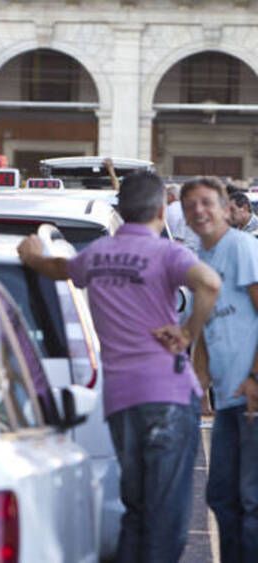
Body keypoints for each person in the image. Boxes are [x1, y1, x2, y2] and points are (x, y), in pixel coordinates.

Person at [17, 171, 221, 563]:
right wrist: (187, 331)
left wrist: (32, 257)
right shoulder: (167, 253)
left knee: (137, 510)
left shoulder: (97, 254)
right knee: (167, 519)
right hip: (168, 396)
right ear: (162, 209)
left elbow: (61, 270)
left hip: (121, 400)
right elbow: (209, 283)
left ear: (120, 211)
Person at [180, 176, 258, 562]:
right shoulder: (202, 260)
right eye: (190, 205)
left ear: (227, 207)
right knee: (221, 495)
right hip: (228, 397)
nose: (199, 211)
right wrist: (197, 387)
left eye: (207, 202)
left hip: (251, 394)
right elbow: (207, 329)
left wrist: (254, 377)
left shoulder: (242, 248)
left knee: (250, 500)